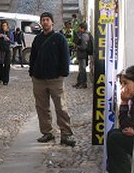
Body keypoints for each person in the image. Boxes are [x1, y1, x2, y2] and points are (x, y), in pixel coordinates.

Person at [29, 12, 75, 146]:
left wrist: (63, 73)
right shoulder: (37, 39)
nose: (45, 22)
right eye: (43, 20)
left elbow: (65, 57)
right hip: (39, 79)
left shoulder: (59, 38)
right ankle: (47, 132)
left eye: (47, 20)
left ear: (52, 22)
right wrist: (32, 72)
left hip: (55, 79)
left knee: (61, 107)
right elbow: (33, 57)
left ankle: (65, 133)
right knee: (42, 107)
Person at [106, 66, 134, 173]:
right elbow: (125, 124)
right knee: (113, 134)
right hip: (133, 133)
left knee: (115, 138)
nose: (123, 87)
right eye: (121, 84)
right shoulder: (132, 99)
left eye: (126, 83)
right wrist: (124, 103)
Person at [0, 20, 14, 85]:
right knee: (0, 65)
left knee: (7, 65)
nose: (4, 27)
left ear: (7, 26)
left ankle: (6, 80)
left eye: (5, 26)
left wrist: (8, 39)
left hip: (7, 50)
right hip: (0, 50)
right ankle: (1, 78)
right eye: (3, 26)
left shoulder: (10, 33)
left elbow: (12, 41)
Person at [74, 22, 93, 88]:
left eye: (79, 27)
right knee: (81, 69)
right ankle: (79, 82)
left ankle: (83, 83)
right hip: (81, 55)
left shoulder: (84, 35)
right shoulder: (83, 34)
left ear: (82, 28)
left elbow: (84, 47)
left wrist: (77, 47)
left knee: (83, 69)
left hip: (83, 55)